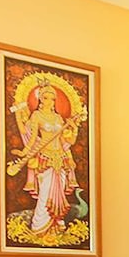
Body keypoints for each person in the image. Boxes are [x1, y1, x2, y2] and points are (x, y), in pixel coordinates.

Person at [13, 82, 85, 237]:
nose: (49, 102)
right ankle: (40, 226)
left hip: (61, 159)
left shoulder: (58, 118)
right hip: (45, 159)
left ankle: (57, 224)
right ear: (40, 99)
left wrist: (74, 128)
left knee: (60, 193)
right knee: (45, 193)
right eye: (46, 98)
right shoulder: (36, 116)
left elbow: (67, 141)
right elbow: (32, 139)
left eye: (52, 99)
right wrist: (23, 152)